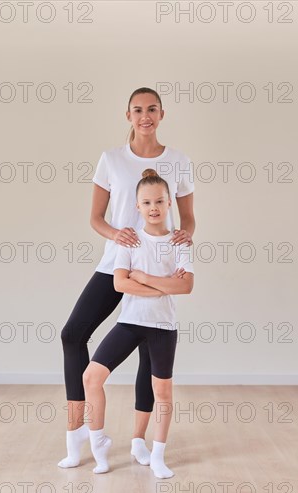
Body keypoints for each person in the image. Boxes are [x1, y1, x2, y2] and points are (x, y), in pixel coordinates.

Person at [58, 87, 195, 469]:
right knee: (73, 333)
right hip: (116, 263)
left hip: (157, 265)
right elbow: (96, 219)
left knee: (148, 350)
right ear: (128, 115)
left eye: (152, 109)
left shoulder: (179, 161)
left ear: (162, 114)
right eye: (138, 110)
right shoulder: (111, 160)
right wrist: (115, 234)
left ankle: (139, 441)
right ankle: (77, 430)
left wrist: (186, 235)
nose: (145, 116)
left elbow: (188, 219)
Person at [82, 168, 194, 479]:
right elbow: (120, 284)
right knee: (91, 377)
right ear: (137, 207)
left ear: (170, 203)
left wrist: (143, 277)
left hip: (163, 327)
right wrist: (162, 284)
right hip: (131, 322)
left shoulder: (180, 242)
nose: (153, 207)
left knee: (162, 392)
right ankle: (98, 443)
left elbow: (186, 287)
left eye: (159, 201)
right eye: (146, 203)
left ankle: (157, 454)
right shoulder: (129, 241)